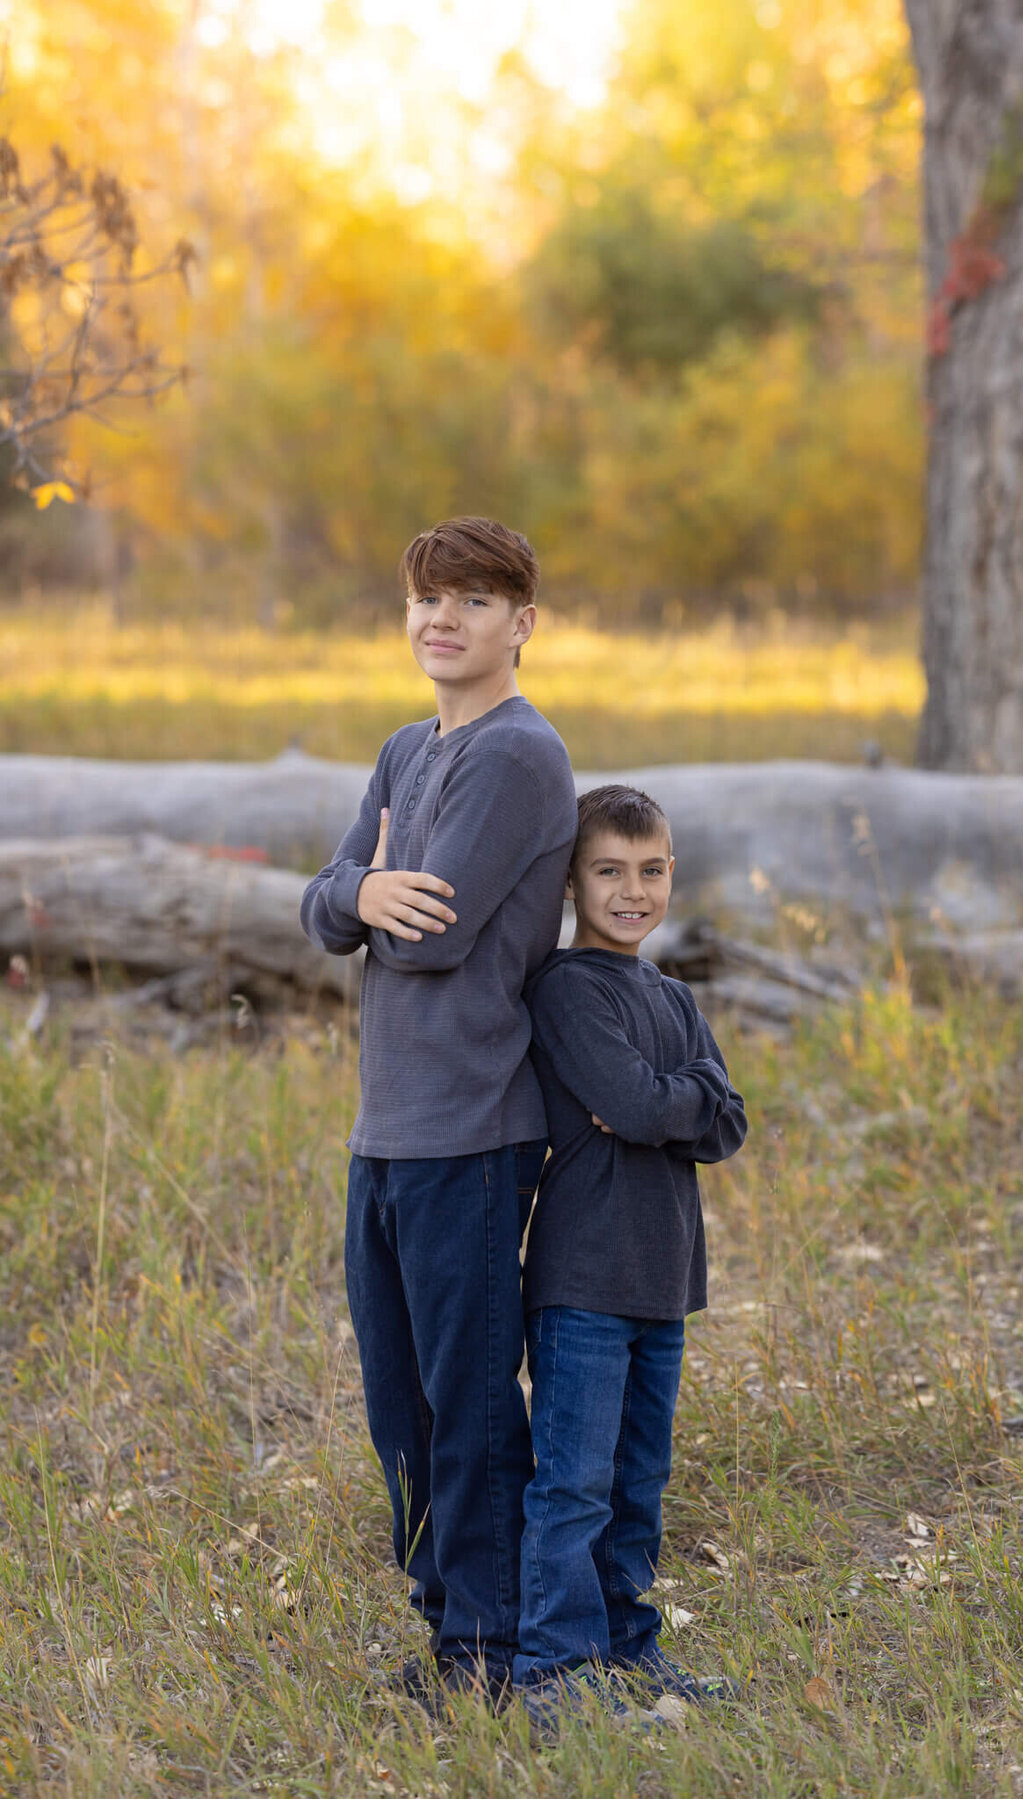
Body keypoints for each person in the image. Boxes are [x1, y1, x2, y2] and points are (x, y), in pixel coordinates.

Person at [299, 516, 577, 1707]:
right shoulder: (405, 751)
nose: (442, 618)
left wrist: (367, 898)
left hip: (471, 1125)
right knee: (396, 1399)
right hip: (388, 1127)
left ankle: (489, 1648)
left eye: (472, 598)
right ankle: (444, 1624)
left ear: (522, 622)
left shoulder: (519, 753)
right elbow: (324, 907)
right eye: (426, 597)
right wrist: (364, 883)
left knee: (463, 1398)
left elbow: (442, 931)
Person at [515, 783, 748, 1723]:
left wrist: (668, 1100)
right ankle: (552, 1672)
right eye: (608, 870)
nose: (631, 891)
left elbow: (723, 1120)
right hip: (581, 1281)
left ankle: (624, 1652)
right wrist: (671, 1101)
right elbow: (653, 1104)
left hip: (662, 1281)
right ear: (571, 880)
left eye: (650, 871)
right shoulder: (567, 989)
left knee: (637, 1483)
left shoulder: (674, 995)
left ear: (671, 874)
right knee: (572, 1481)